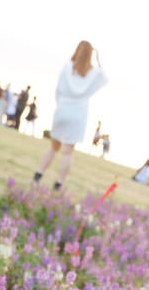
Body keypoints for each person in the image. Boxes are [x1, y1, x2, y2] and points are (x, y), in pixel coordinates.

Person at [33, 41, 107, 190]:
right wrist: (98, 59)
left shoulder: (67, 68)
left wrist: (60, 105)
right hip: (78, 113)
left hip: (63, 108)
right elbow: (103, 76)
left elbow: (58, 90)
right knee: (67, 152)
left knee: (53, 147)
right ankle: (59, 183)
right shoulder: (92, 73)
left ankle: (38, 176)